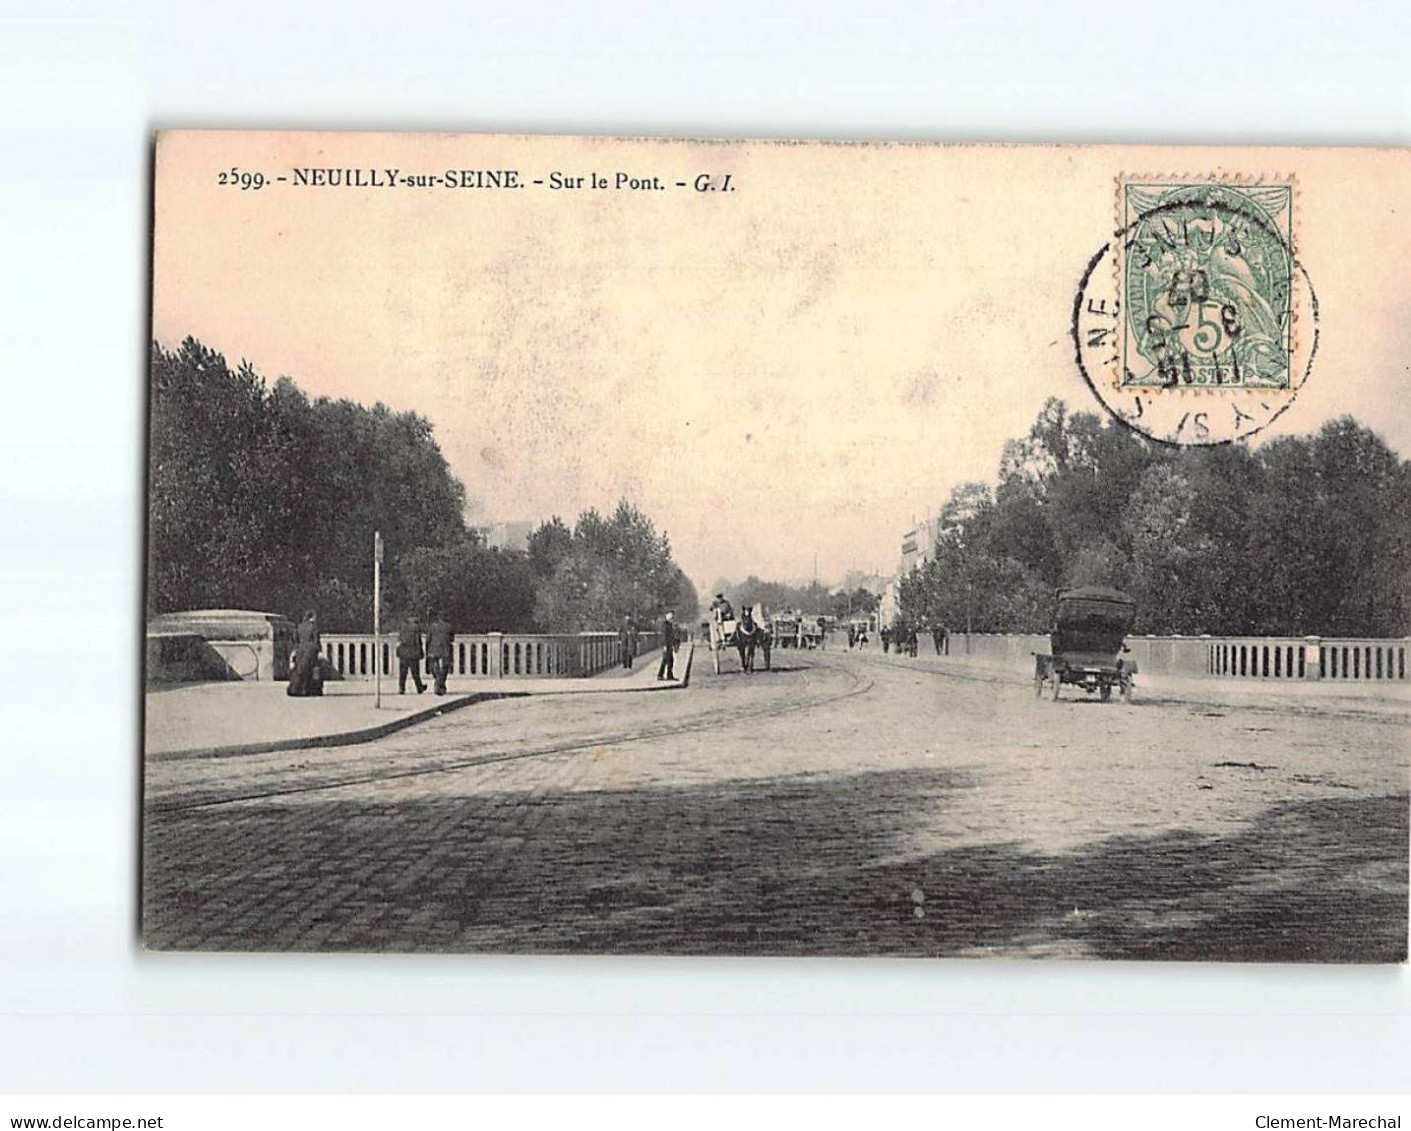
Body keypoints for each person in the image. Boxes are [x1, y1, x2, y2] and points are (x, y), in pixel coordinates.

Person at [287, 609, 322, 697]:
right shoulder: (314, 627)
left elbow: (295, 640)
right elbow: (316, 641)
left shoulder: (299, 627)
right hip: (310, 650)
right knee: (312, 669)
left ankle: (297, 689)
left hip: (300, 651)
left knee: (300, 670)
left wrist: (295, 651)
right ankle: (310, 689)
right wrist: (318, 651)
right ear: (312, 617)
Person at [425, 610, 454, 695]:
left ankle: (438, 683)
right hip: (445, 650)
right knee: (445, 668)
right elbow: (452, 639)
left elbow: (428, 639)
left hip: (434, 650)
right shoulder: (449, 627)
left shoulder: (432, 627)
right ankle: (440, 684)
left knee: (435, 668)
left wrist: (428, 649)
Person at [396, 616, 426, 694]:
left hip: (404, 653)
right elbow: (418, 642)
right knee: (415, 673)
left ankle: (401, 688)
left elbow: (400, 640)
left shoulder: (403, 628)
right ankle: (419, 688)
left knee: (403, 673)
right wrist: (421, 652)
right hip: (413, 653)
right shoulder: (416, 629)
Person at [657, 611, 678, 681]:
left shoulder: (669, 624)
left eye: (672, 616)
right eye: (670, 616)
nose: (671, 617)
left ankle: (667, 675)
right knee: (666, 660)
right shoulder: (665, 625)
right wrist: (665, 645)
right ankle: (662, 675)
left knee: (669, 660)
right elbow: (664, 636)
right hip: (667, 645)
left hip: (669, 645)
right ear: (666, 616)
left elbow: (672, 636)